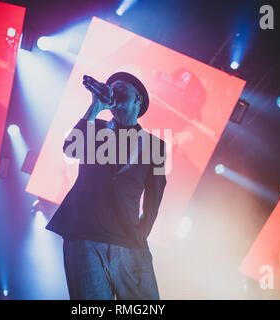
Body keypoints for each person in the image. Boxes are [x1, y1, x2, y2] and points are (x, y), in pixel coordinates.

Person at [46, 72, 167, 300]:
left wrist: (141, 234)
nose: (114, 91)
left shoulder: (155, 145)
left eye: (121, 87)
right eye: (111, 87)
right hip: (84, 235)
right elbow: (70, 149)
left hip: (128, 239)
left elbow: (155, 195)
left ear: (137, 99)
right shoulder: (96, 127)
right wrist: (95, 107)